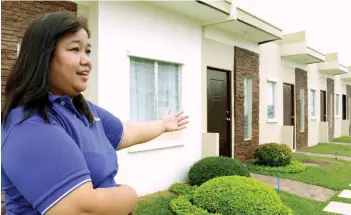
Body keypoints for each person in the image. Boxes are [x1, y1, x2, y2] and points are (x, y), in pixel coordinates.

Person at [1, 11, 189, 215]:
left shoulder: (82, 108)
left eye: (87, 51)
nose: (87, 61)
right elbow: (81, 209)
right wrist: (129, 196)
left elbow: (125, 131)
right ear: (43, 57)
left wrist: (162, 125)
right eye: (75, 49)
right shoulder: (30, 124)